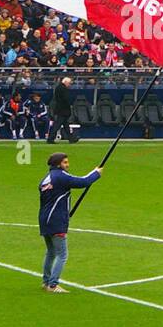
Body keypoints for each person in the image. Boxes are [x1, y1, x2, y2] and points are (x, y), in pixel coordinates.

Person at [38, 152, 103, 293]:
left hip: (45, 219)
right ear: (58, 164)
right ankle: (53, 285)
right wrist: (96, 173)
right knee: (62, 255)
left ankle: (46, 281)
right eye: (65, 162)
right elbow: (83, 182)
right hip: (57, 220)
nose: (67, 165)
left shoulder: (46, 179)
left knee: (51, 252)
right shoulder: (61, 176)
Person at [45, 75, 79, 144]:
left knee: (66, 125)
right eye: (69, 83)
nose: (69, 85)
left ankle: (71, 139)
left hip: (61, 110)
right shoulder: (62, 88)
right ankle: (50, 139)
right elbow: (65, 100)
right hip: (62, 110)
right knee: (57, 125)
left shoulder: (59, 87)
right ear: (66, 82)